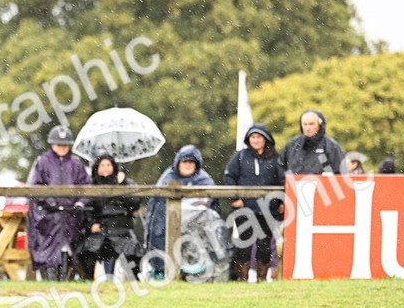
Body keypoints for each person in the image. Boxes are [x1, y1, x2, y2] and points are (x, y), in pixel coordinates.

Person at [143, 144, 220, 280]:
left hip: (197, 228)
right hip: (170, 224)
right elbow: (157, 214)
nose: (188, 165)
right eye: (185, 162)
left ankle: (198, 268)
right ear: (178, 163)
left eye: (191, 162)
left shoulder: (205, 180)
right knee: (160, 234)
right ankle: (162, 268)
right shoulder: (167, 179)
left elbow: (213, 208)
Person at [25, 125, 90, 280]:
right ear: (52, 144)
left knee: (69, 249)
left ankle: (66, 280)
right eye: (59, 144)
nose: (62, 148)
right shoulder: (42, 162)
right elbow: (35, 186)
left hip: (70, 215)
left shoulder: (76, 164)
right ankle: (49, 280)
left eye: (65, 145)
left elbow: (86, 187)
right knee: (46, 248)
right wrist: (50, 201)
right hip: (47, 216)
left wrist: (80, 204)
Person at [223, 124, 285, 283]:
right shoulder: (240, 156)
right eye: (253, 137)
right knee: (244, 244)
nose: (256, 140)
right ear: (248, 139)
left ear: (266, 140)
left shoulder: (276, 158)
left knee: (265, 246)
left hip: (267, 209)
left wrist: (280, 201)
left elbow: (282, 181)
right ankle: (242, 278)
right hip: (244, 208)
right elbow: (229, 177)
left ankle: (262, 278)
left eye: (259, 137)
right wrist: (234, 198)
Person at [78, 154, 142, 278]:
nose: (106, 168)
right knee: (87, 251)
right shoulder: (92, 185)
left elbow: (135, 203)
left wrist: (124, 183)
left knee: (133, 251)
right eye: (102, 165)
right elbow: (88, 208)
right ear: (97, 168)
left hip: (122, 229)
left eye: (108, 165)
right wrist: (91, 225)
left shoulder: (124, 182)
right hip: (101, 229)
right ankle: (87, 280)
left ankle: (133, 280)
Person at [280, 109, 345, 175]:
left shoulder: (331, 145)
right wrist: (289, 182)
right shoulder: (292, 144)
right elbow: (281, 166)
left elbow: (340, 171)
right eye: (305, 124)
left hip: (322, 185)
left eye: (311, 124)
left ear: (319, 125)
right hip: (295, 184)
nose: (308, 128)